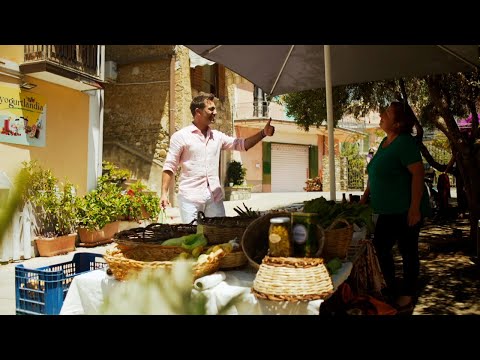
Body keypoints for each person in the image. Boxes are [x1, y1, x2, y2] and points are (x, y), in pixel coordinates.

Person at [359, 101, 430, 314]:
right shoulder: (384, 142)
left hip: (404, 209)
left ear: (398, 123)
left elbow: (418, 175)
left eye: (387, 113)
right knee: (380, 249)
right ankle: (390, 288)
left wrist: (415, 208)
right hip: (386, 210)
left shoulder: (405, 142)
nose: (381, 115)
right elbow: (375, 174)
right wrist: (364, 197)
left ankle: (407, 294)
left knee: (408, 251)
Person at [160, 93, 275, 224]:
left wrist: (263, 133)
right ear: (198, 112)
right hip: (190, 198)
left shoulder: (217, 137)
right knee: (192, 236)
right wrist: (164, 193)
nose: (215, 112)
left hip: (214, 198)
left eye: (215, 109)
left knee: (219, 234)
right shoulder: (181, 136)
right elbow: (170, 166)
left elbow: (242, 144)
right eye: (211, 109)